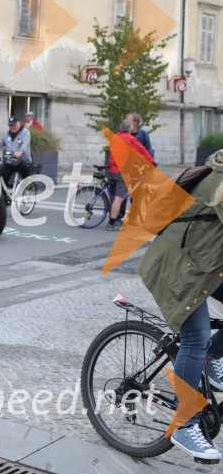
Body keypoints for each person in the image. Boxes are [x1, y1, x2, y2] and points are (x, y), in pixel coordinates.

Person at [138, 150, 223, 461]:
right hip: (175, 269)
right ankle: (185, 424)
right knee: (195, 337)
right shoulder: (220, 183)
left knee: (204, 345)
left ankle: (213, 357)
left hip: (200, 266)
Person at [105, 118, 155, 231]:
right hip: (121, 171)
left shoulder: (115, 137)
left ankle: (116, 218)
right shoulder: (130, 139)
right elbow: (142, 150)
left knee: (114, 198)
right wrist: (152, 162)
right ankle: (111, 224)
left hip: (112, 170)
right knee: (118, 199)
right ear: (130, 129)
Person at [0, 116, 31, 188]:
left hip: (23, 160)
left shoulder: (25, 132)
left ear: (18, 124)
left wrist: (20, 152)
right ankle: (3, 195)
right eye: (10, 125)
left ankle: (28, 186)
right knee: (2, 177)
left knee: (24, 172)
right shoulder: (6, 134)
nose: (12, 127)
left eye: (14, 125)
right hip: (11, 161)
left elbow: (25, 144)